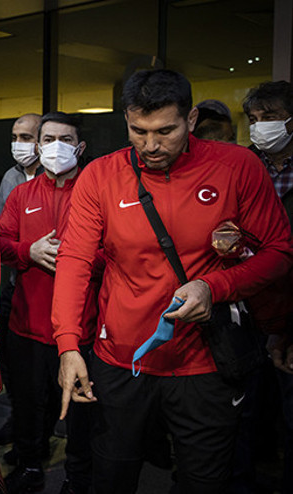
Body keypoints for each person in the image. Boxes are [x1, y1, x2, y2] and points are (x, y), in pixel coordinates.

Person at [54, 69, 293, 494]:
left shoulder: (237, 166)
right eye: (138, 131)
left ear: (192, 118)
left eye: (165, 130)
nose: (150, 145)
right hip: (121, 358)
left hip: (204, 362)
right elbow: (74, 260)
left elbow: (279, 253)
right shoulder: (100, 176)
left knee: (205, 480)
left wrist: (214, 287)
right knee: (111, 474)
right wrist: (69, 345)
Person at [0, 111, 96, 494]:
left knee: (81, 413)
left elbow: (115, 252)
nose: (57, 147)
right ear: (38, 147)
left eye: (66, 140)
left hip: (81, 326)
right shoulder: (22, 194)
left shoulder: (94, 191)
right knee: (27, 404)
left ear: (81, 147)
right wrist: (29, 251)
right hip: (27, 322)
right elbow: (0, 243)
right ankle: (29, 464)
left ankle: (78, 476)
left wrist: (78, 256)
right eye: (49, 139)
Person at [242, 80, 293, 493]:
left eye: (271, 118)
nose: (261, 128)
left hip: (289, 308)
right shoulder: (245, 167)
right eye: (255, 120)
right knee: (245, 411)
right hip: (250, 306)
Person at [0, 112, 44, 453]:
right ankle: (19, 424)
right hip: (16, 283)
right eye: (15, 137)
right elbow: (1, 233)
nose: (18, 144)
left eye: (26, 137)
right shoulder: (11, 176)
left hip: (48, 289)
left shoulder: (63, 178)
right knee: (13, 365)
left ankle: (37, 438)